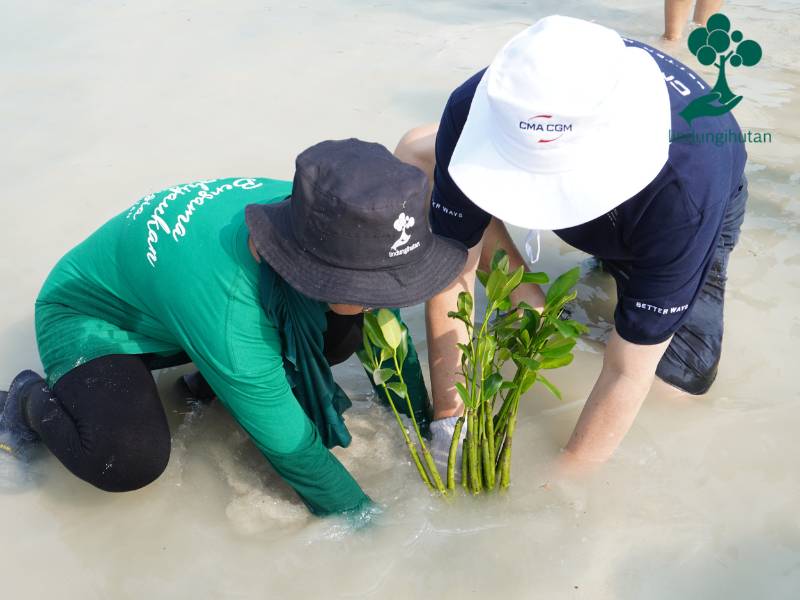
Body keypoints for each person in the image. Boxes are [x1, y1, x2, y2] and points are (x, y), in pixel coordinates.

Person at [0, 139, 467, 516]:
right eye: (367, 288)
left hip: (176, 309)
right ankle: (23, 401)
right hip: (94, 318)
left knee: (341, 332)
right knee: (125, 461)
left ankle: (204, 382)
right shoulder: (226, 303)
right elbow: (293, 449)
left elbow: (383, 335)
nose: (384, 299)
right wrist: (365, 521)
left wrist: (426, 426)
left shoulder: (337, 214)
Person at [395, 16, 747, 475]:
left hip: (675, 204)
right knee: (418, 154)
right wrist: (450, 421)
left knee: (674, 392)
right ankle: (529, 298)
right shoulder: (484, 102)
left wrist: (564, 485)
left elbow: (628, 370)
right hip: (613, 189)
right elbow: (451, 274)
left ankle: (606, 280)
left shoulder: (687, 188)